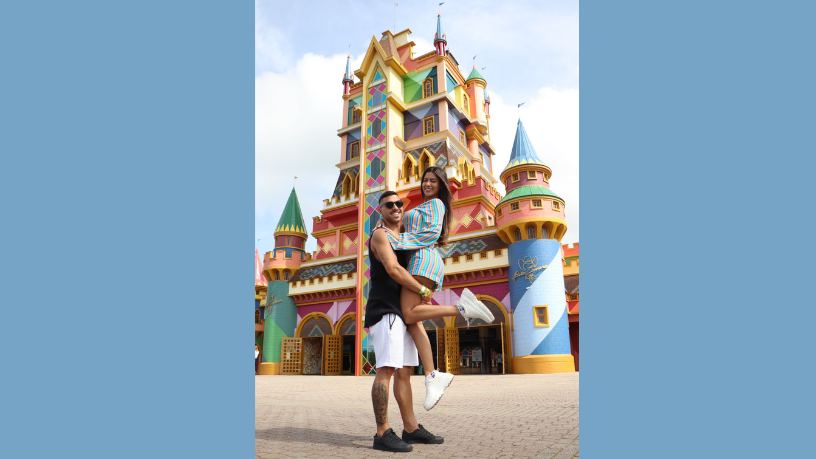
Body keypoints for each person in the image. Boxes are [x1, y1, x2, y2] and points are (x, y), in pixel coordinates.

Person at [365, 191, 491, 452]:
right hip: (386, 309)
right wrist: (422, 291)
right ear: (381, 210)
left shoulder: (404, 237)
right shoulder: (380, 234)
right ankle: (382, 432)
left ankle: (410, 429)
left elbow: (428, 227)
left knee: (405, 372)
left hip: (401, 312)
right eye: (389, 205)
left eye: (399, 203)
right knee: (386, 370)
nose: (396, 208)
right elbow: (393, 269)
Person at [378, 170, 494, 410]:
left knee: (408, 313)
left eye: (433, 181)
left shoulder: (437, 204)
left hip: (423, 259)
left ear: (441, 185)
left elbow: (429, 233)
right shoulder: (424, 206)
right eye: (425, 180)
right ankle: (432, 376)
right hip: (420, 260)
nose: (428, 184)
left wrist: (398, 241)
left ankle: (461, 308)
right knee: (414, 321)